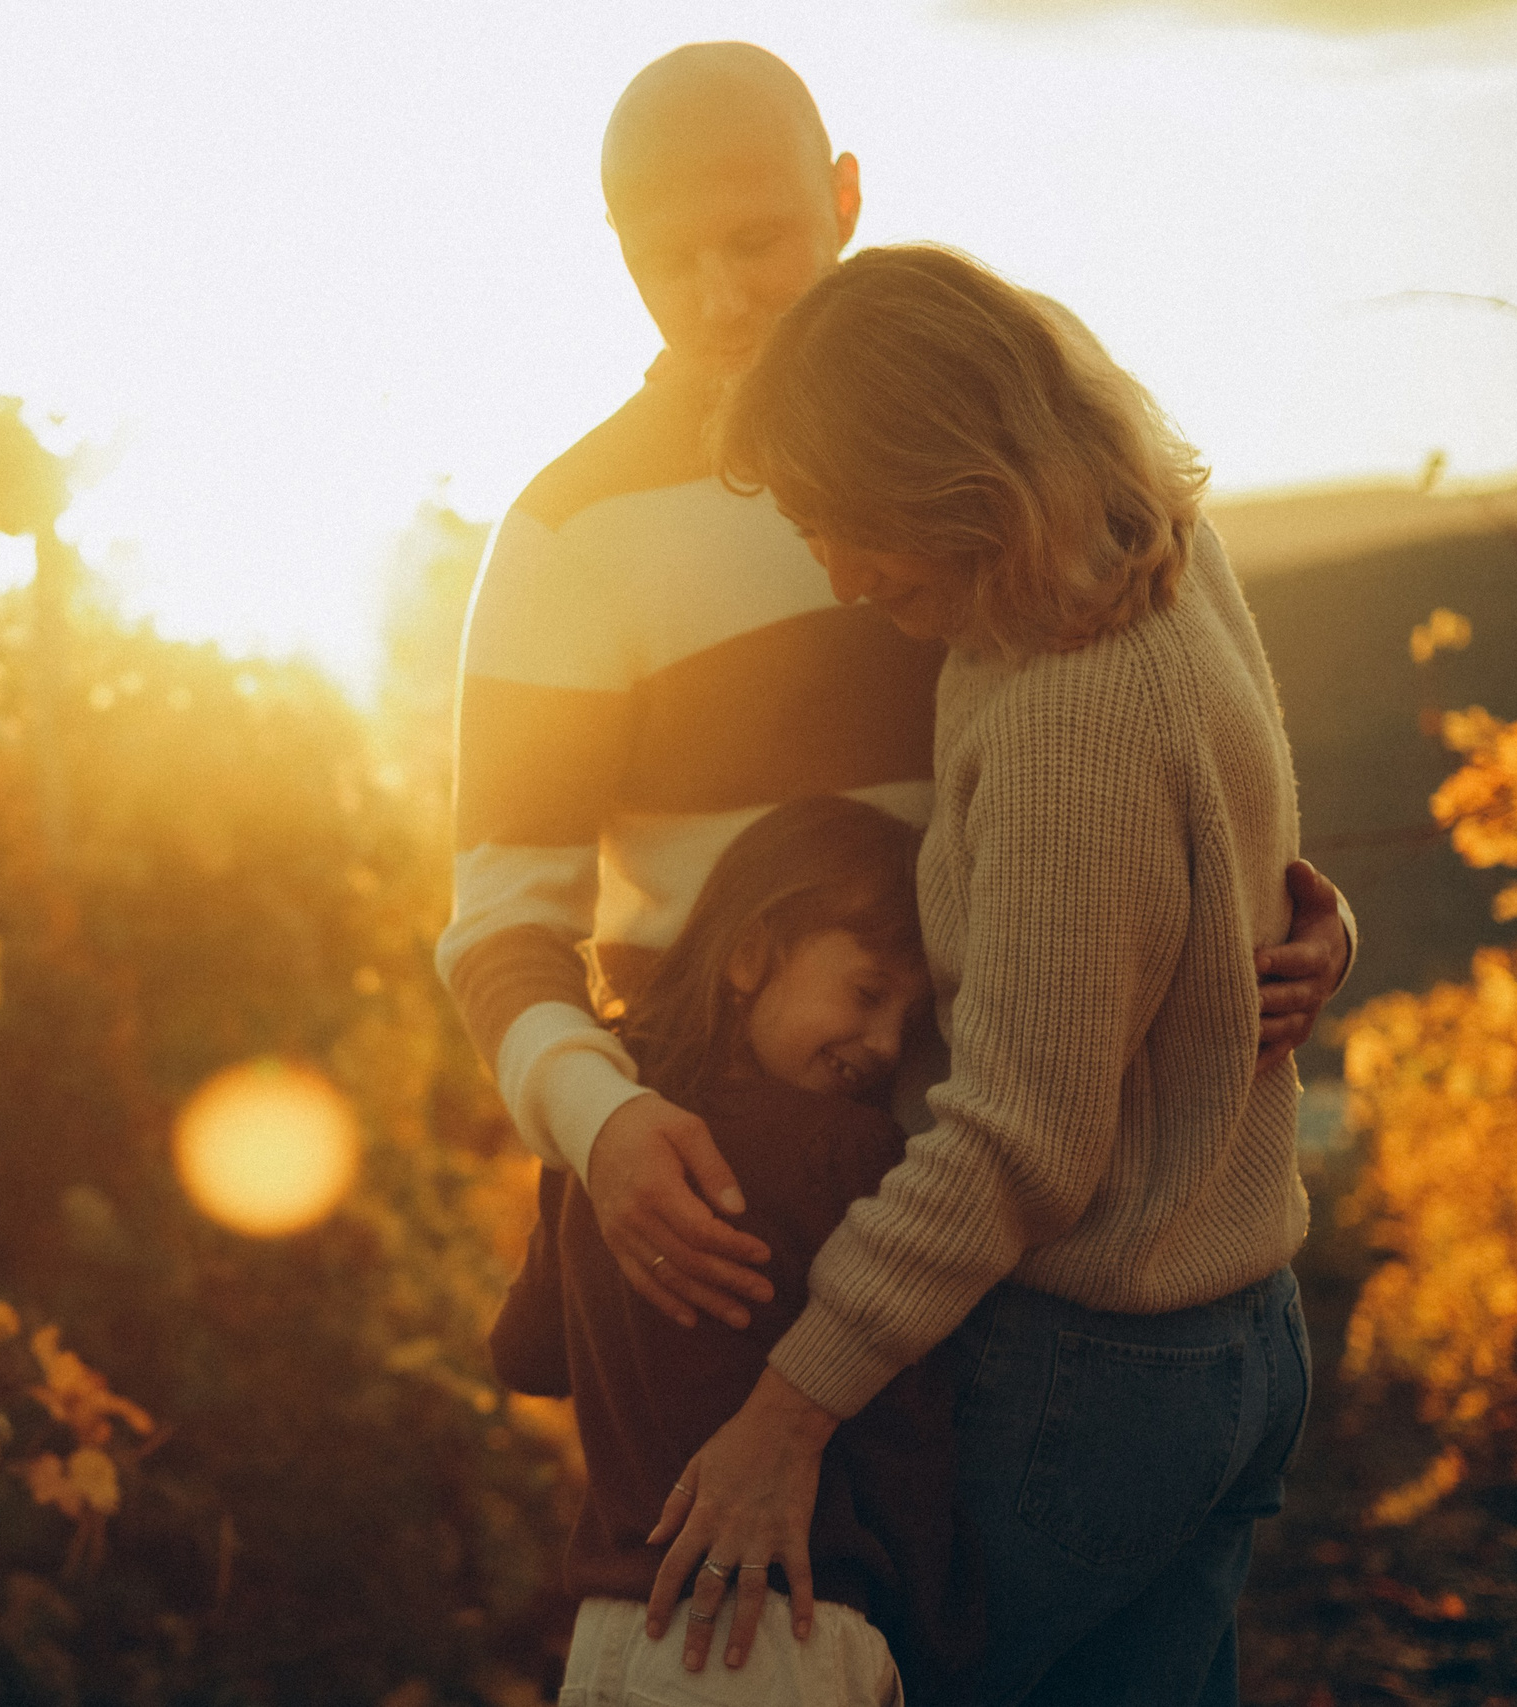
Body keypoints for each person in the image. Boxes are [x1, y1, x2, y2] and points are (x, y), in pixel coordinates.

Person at [436, 42, 1354, 1339]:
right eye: (664, 260)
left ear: (847, 198)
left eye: (756, 241)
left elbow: (1183, 698)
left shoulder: (1007, 397)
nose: (713, 298)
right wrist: (604, 1118)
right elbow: (499, 923)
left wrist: (1282, 910)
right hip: (734, 1196)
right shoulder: (567, 534)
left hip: (1020, 1210)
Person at [644, 244, 1312, 1706]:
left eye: (843, 525)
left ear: (946, 477)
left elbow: (1019, 1142)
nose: (832, 569)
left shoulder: (1069, 717)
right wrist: (1312, 923)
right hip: (1240, 1333)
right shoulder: (1149, 540)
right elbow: (1243, 833)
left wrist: (785, 1412)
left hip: (1102, 1369)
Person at [491, 795, 979, 1706]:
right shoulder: (847, 1154)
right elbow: (909, 1445)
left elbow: (524, 1354)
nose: (881, 1045)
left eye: (904, 1023)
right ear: (751, 953)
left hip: (607, 1639)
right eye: (868, 993)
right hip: (774, 1631)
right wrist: (944, 1643)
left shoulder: (604, 1145)